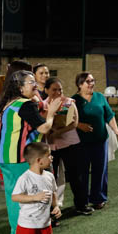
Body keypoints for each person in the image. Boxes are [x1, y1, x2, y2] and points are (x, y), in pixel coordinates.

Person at [0, 71, 61, 234]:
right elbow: (44, 128)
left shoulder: (9, 103)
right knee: (28, 198)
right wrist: (52, 113)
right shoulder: (25, 104)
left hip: (4, 157)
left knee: (13, 197)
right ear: (19, 86)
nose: (35, 85)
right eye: (30, 82)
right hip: (21, 158)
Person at [9, 142, 61, 234]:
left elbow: (53, 193)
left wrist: (56, 206)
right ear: (39, 160)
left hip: (44, 221)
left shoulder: (49, 176)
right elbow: (15, 197)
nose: (51, 158)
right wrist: (34, 197)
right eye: (49, 156)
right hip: (28, 222)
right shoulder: (25, 178)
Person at [73, 72, 118, 210]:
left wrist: (116, 130)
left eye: (92, 80)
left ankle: (98, 198)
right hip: (81, 142)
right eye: (88, 81)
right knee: (82, 171)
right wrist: (79, 125)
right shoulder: (74, 100)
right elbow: (67, 119)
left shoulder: (100, 97)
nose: (91, 84)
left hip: (100, 140)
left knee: (100, 170)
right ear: (80, 84)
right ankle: (83, 200)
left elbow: (109, 115)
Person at [43, 77, 88, 217]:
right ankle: (52, 210)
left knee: (75, 176)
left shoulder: (69, 102)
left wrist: (58, 132)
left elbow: (74, 123)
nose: (58, 92)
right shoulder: (42, 105)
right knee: (50, 178)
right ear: (46, 90)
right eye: (54, 90)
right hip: (51, 146)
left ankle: (81, 205)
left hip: (70, 144)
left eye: (60, 90)